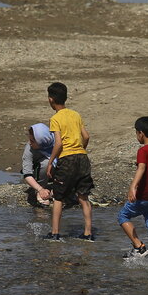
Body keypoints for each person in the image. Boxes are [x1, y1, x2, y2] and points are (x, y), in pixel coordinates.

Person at [44, 82, 94, 242]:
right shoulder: (76, 114)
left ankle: (55, 233)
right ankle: (88, 233)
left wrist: (51, 162)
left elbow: (58, 143)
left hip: (67, 159)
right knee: (83, 196)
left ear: (51, 100)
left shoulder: (55, 118)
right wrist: (81, 149)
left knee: (58, 196)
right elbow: (86, 136)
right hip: (82, 157)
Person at [118, 116, 148, 260]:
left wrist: (133, 187)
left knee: (123, 216)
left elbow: (142, 167)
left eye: (136, 133)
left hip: (143, 196)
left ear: (141, 133)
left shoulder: (143, 151)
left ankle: (139, 247)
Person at [22, 123, 56, 207]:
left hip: (56, 172)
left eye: (33, 141)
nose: (30, 143)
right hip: (38, 173)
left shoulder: (56, 143)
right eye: (29, 139)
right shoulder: (29, 149)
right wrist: (40, 189)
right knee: (46, 163)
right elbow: (27, 174)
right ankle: (41, 191)